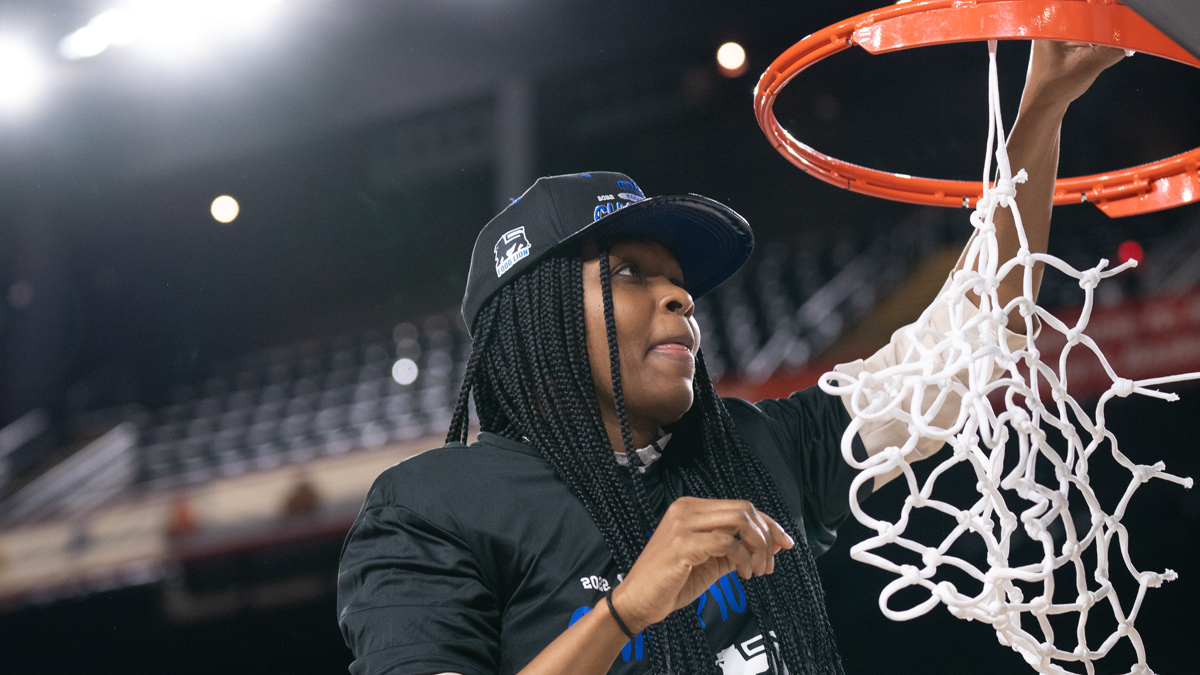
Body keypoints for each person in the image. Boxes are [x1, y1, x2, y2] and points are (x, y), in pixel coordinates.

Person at [337, 41, 1124, 675]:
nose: (679, 299)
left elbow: (966, 346)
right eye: (629, 275)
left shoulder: (756, 448)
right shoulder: (431, 505)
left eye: (678, 282)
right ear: (533, 320)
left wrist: (1043, 105)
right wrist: (626, 611)